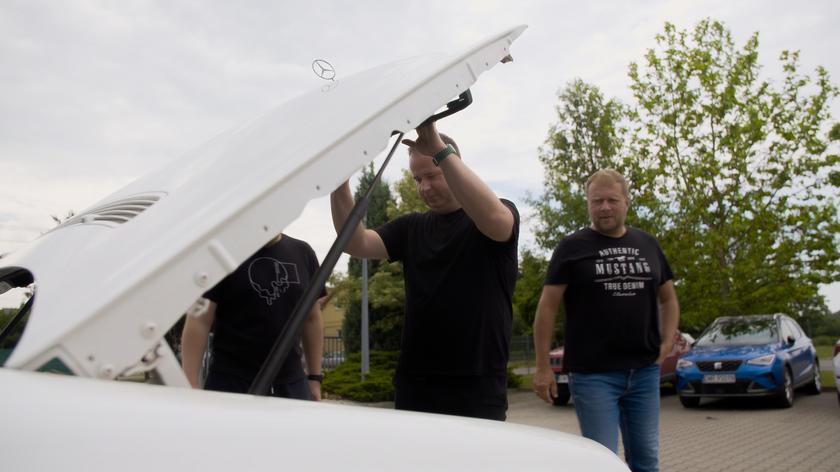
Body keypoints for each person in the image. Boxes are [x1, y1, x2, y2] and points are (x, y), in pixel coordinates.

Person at [329, 122, 519, 421]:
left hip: (477, 384)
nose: (424, 187)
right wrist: (339, 182)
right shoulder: (411, 227)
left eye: (432, 175)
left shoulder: (494, 213)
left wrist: (437, 146)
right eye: (418, 179)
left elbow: (497, 222)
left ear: (452, 164)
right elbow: (356, 242)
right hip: (415, 382)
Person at [532, 169, 679, 472]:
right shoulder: (571, 247)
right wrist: (543, 366)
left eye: (612, 200)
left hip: (644, 371)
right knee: (601, 462)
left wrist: (666, 343)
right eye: (596, 201)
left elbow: (668, 299)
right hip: (593, 376)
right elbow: (547, 307)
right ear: (588, 203)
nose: (605, 207)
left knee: (647, 460)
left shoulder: (647, 244)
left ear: (626, 201)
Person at [181, 233, 325, 400]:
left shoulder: (303, 252)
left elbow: (312, 319)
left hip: (292, 384)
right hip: (231, 383)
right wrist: (189, 382)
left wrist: (314, 378)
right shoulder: (223, 254)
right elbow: (199, 320)